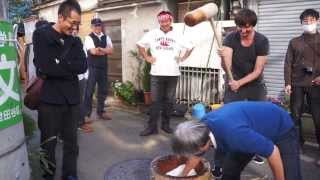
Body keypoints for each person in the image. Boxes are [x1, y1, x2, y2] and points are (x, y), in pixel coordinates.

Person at [172, 101, 302, 180]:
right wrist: (183, 175)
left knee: (290, 177)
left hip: (280, 125)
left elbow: (273, 152)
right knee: (230, 173)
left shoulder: (234, 136)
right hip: (248, 127)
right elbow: (196, 154)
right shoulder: (200, 128)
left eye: (192, 152)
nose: (192, 155)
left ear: (201, 145)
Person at [32, 0, 87, 179]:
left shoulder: (76, 41)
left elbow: (83, 66)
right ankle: (48, 175)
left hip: (71, 100)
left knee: (72, 143)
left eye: (78, 24)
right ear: (61, 17)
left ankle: (70, 175)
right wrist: (67, 67)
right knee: (48, 143)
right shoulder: (41, 35)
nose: (75, 27)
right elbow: (44, 67)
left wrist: (60, 63)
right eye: (72, 23)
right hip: (49, 100)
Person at [217, 8, 269, 167]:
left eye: (248, 27)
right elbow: (227, 67)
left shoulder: (262, 41)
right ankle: (223, 156)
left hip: (255, 84)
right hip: (235, 82)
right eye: (241, 26)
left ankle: (256, 150)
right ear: (237, 25)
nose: (244, 30)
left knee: (258, 118)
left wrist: (239, 83)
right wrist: (223, 60)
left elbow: (258, 70)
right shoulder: (230, 38)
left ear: (253, 26)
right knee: (228, 117)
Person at [136, 11, 194, 136]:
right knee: (155, 101)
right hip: (156, 73)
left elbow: (190, 47)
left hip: (173, 74)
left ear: (170, 20)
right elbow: (140, 45)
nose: (164, 23)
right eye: (161, 21)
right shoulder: (152, 34)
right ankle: (152, 127)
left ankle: (166, 125)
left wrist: (182, 58)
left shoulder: (178, 35)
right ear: (159, 22)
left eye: (166, 20)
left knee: (168, 102)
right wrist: (146, 57)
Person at [284, 9, 320, 151]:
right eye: (305, 21)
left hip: (315, 84)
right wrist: (287, 83)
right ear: (301, 23)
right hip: (297, 83)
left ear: (317, 21)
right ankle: (297, 143)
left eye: (311, 20)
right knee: (295, 115)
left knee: (318, 118)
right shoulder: (294, 42)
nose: (308, 23)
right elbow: (288, 63)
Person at [83, 18, 113, 121]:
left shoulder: (106, 37)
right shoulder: (88, 38)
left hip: (103, 67)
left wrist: (100, 49)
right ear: (92, 27)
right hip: (92, 67)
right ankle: (86, 114)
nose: (97, 27)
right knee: (89, 91)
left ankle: (101, 111)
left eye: (99, 25)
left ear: (101, 26)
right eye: (95, 26)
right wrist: (104, 50)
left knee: (103, 90)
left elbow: (111, 51)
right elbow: (93, 52)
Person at [70, 25, 93, 133]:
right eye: (72, 30)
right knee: (77, 101)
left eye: (76, 30)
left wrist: (86, 75)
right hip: (73, 78)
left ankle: (80, 119)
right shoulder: (66, 43)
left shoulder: (79, 42)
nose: (74, 31)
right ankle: (80, 123)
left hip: (81, 77)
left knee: (81, 100)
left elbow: (85, 60)